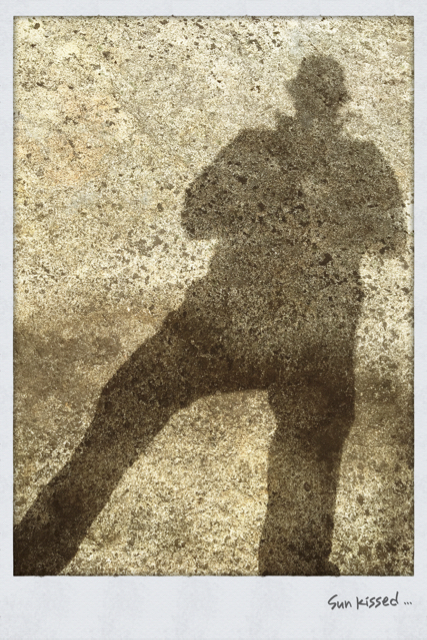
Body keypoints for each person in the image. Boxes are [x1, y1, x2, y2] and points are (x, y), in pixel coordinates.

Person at [14, 55, 405, 576]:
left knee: (313, 443)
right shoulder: (256, 149)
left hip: (311, 339)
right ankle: (30, 561)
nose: (317, 106)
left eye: (325, 97)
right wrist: (266, 199)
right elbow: (195, 216)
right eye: (311, 95)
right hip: (223, 323)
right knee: (128, 401)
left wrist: (327, 212)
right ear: (296, 97)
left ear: (337, 104)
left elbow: (391, 238)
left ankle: (297, 585)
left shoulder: (361, 163)